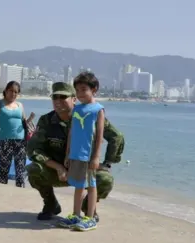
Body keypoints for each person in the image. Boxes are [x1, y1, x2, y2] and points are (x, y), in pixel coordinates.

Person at [26, 81, 124, 222]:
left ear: (73, 99)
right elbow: (33, 149)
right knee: (33, 170)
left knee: (106, 180)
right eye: (55, 97)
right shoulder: (46, 121)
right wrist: (57, 166)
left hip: (84, 169)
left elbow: (117, 136)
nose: (58, 101)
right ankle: (51, 204)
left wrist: (107, 163)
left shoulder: (89, 115)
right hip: (58, 173)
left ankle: (88, 207)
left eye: (63, 97)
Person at [58, 72, 104, 231]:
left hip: (89, 155)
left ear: (94, 89)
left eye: (84, 89)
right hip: (76, 154)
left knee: (91, 185)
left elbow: (99, 135)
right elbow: (72, 132)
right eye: (77, 90)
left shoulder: (98, 110)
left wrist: (96, 156)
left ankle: (90, 218)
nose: (80, 93)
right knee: (78, 185)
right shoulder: (77, 109)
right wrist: (67, 153)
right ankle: (76, 214)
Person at [0, 81, 29, 187]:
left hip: (20, 142)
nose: (13, 94)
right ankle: (2, 196)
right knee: (3, 171)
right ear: (6, 91)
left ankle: (20, 196)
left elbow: (24, 123)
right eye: (11, 91)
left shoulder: (20, 105)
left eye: (16, 92)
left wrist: (29, 138)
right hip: (5, 141)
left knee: (20, 173)